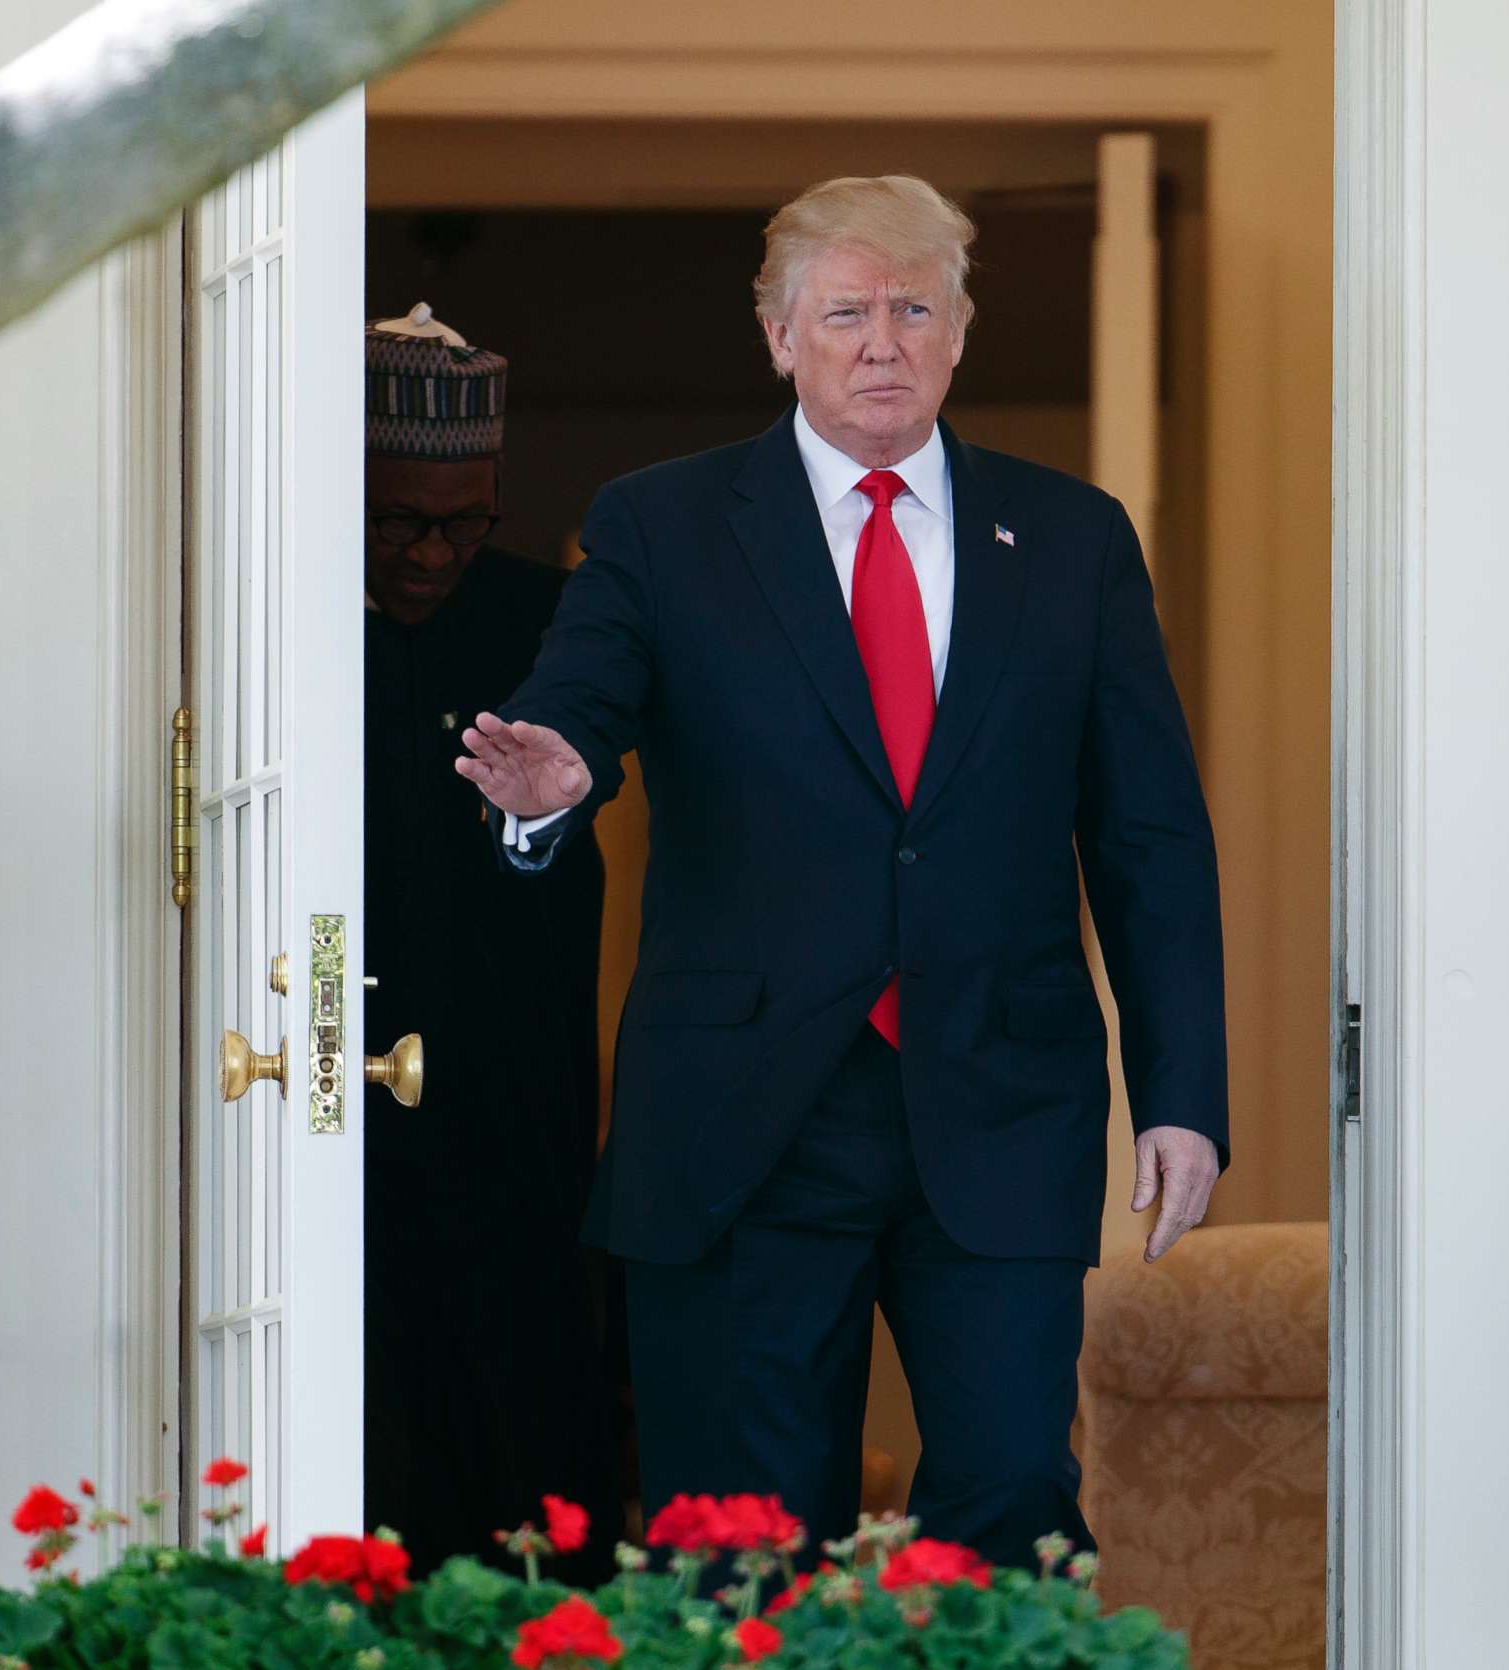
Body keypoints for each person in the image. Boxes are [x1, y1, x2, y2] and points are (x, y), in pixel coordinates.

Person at [454, 178, 1228, 1567]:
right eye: (849, 310)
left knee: (1008, 1513)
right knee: (737, 1546)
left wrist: (1183, 1096)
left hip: (1000, 1101)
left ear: (960, 332)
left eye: (915, 308)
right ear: (778, 335)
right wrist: (559, 775)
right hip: (745, 1122)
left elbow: (1150, 832)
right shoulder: (662, 523)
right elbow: (582, 694)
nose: (884, 341)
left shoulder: (1071, 538)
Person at [358, 304, 622, 1580]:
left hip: (509, 1103)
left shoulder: (551, 621)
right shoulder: (278, 614)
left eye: (464, 522)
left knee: (521, 1423)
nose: (428, 553)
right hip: (324, 1101)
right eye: (398, 518)